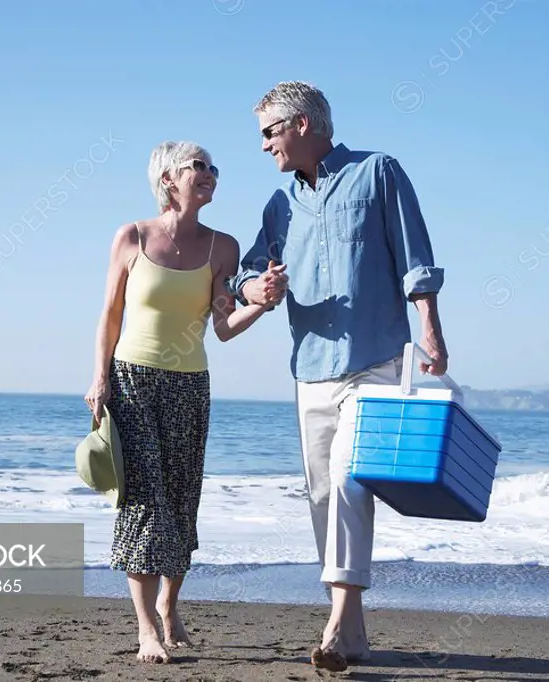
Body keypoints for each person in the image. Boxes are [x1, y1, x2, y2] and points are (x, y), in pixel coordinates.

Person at [229, 81, 448, 671]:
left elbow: (414, 255)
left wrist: (430, 328)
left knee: (352, 481)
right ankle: (350, 628)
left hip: (376, 359)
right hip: (310, 369)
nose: (265, 146)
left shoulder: (378, 172)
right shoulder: (279, 206)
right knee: (322, 493)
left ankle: (337, 622)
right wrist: (258, 289)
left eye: (270, 133)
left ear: (302, 125)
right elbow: (244, 277)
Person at [84, 141, 268, 664]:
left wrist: (263, 305)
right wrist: (99, 379)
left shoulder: (223, 248)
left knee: (182, 500)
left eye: (213, 167)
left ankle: (170, 605)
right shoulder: (131, 237)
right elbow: (110, 317)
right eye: (198, 167)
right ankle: (146, 628)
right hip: (132, 380)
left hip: (190, 384)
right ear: (168, 179)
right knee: (144, 501)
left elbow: (225, 327)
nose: (209, 174)